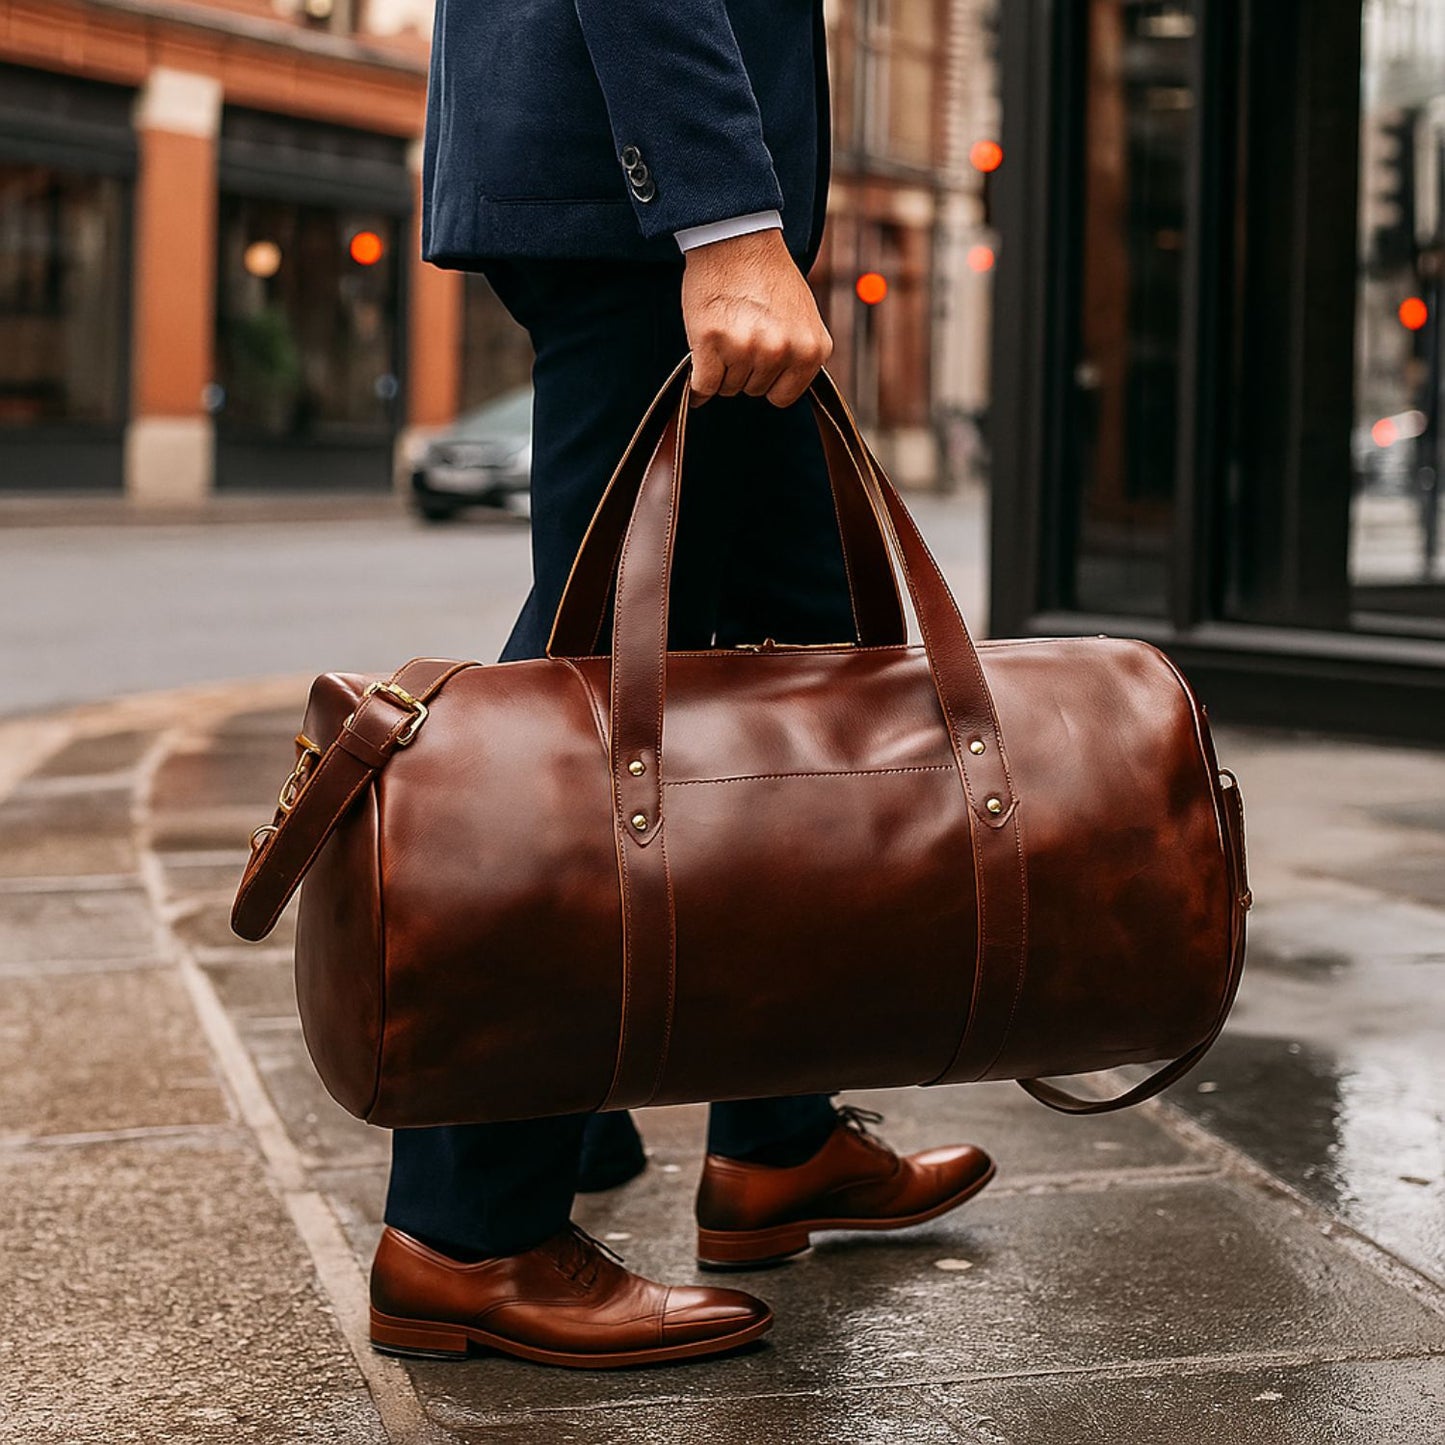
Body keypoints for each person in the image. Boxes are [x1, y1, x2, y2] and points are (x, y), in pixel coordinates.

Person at [370, 0, 996, 1369]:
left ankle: (775, 1130)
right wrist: (717, 219)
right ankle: (465, 1227)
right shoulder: (687, 214)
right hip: (641, 196)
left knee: (804, 660)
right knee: (587, 710)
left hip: (644, 172)